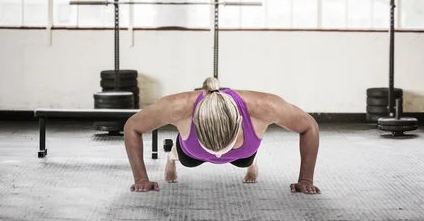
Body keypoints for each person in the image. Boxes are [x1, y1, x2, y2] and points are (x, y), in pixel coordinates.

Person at [123, 76, 321, 194]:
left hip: (243, 153)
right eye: (210, 147)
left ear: (239, 123)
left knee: (244, 160)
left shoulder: (264, 107)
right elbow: (133, 126)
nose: (217, 155)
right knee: (188, 161)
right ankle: (172, 156)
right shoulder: (178, 107)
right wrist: (141, 178)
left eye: (225, 146)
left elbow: (309, 126)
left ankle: (251, 159)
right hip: (191, 152)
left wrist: (306, 180)